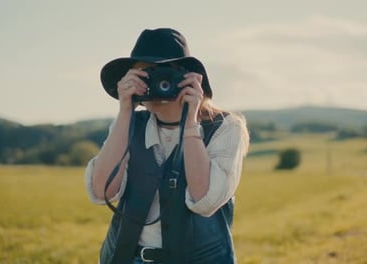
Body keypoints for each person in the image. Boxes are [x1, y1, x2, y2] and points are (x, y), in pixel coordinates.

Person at [84, 28, 249, 264]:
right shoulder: (129, 124)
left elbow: (204, 200)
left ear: (188, 78)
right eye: (145, 74)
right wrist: (125, 111)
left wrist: (190, 120)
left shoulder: (224, 127)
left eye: (165, 72)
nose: (158, 81)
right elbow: (102, 192)